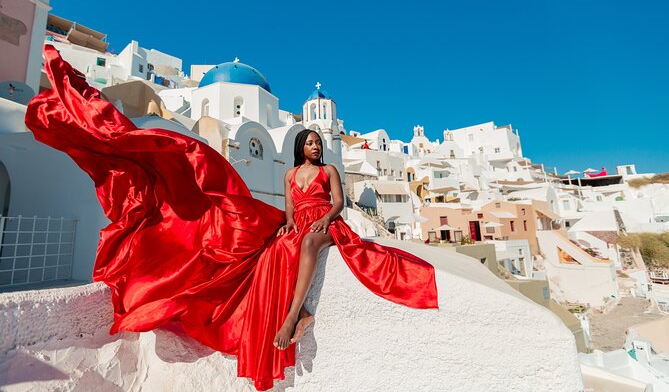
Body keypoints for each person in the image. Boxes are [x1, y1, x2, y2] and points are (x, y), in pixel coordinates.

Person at [26, 45, 438, 391]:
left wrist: (321, 220)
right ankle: (295, 313)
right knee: (259, 246)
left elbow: (338, 203)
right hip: (298, 223)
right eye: (309, 141)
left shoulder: (329, 170)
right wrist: (288, 224)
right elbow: (290, 209)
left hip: (325, 224)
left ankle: (295, 316)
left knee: (308, 243)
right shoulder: (290, 173)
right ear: (300, 147)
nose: (314, 145)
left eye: (317, 141)